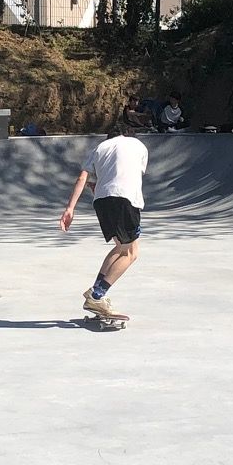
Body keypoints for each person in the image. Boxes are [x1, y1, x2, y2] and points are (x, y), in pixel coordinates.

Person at [59, 118, 149, 323]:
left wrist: (70, 209)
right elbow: (130, 174)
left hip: (101, 201)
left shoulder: (100, 147)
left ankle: (95, 292)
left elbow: (83, 178)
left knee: (120, 247)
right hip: (125, 200)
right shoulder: (138, 145)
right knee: (131, 252)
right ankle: (97, 296)